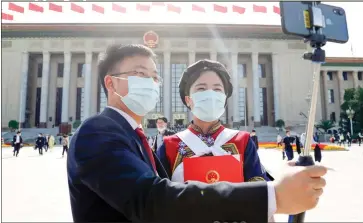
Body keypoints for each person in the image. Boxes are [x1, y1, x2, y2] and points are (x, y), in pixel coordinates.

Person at [67, 43, 328, 222]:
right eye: (139, 73)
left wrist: (282, 183)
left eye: (154, 77)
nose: (150, 83)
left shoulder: (133, 136)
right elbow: (153, 199)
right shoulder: (98, 132)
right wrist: (273, 196)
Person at [157, 60, 272, 184]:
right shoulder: (169, 146)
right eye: (201, 88)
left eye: (217, 89)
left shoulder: (243, 141)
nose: (210, 94)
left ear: (224, 99)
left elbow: (260, 188)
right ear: (188, 100)